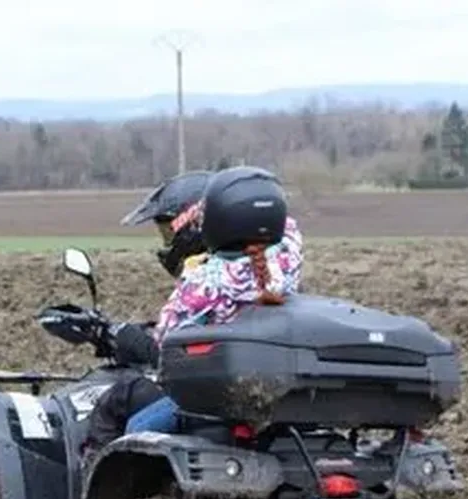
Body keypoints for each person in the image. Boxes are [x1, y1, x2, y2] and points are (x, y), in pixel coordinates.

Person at [84, 165, 304, 463]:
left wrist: (128, 337)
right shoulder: (288, 257)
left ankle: (111, 487)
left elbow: (164, 347)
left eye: (167, 231)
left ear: (205, 222)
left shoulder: (203, 284)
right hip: (277, 389)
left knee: (135, 425)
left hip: (219, 397)